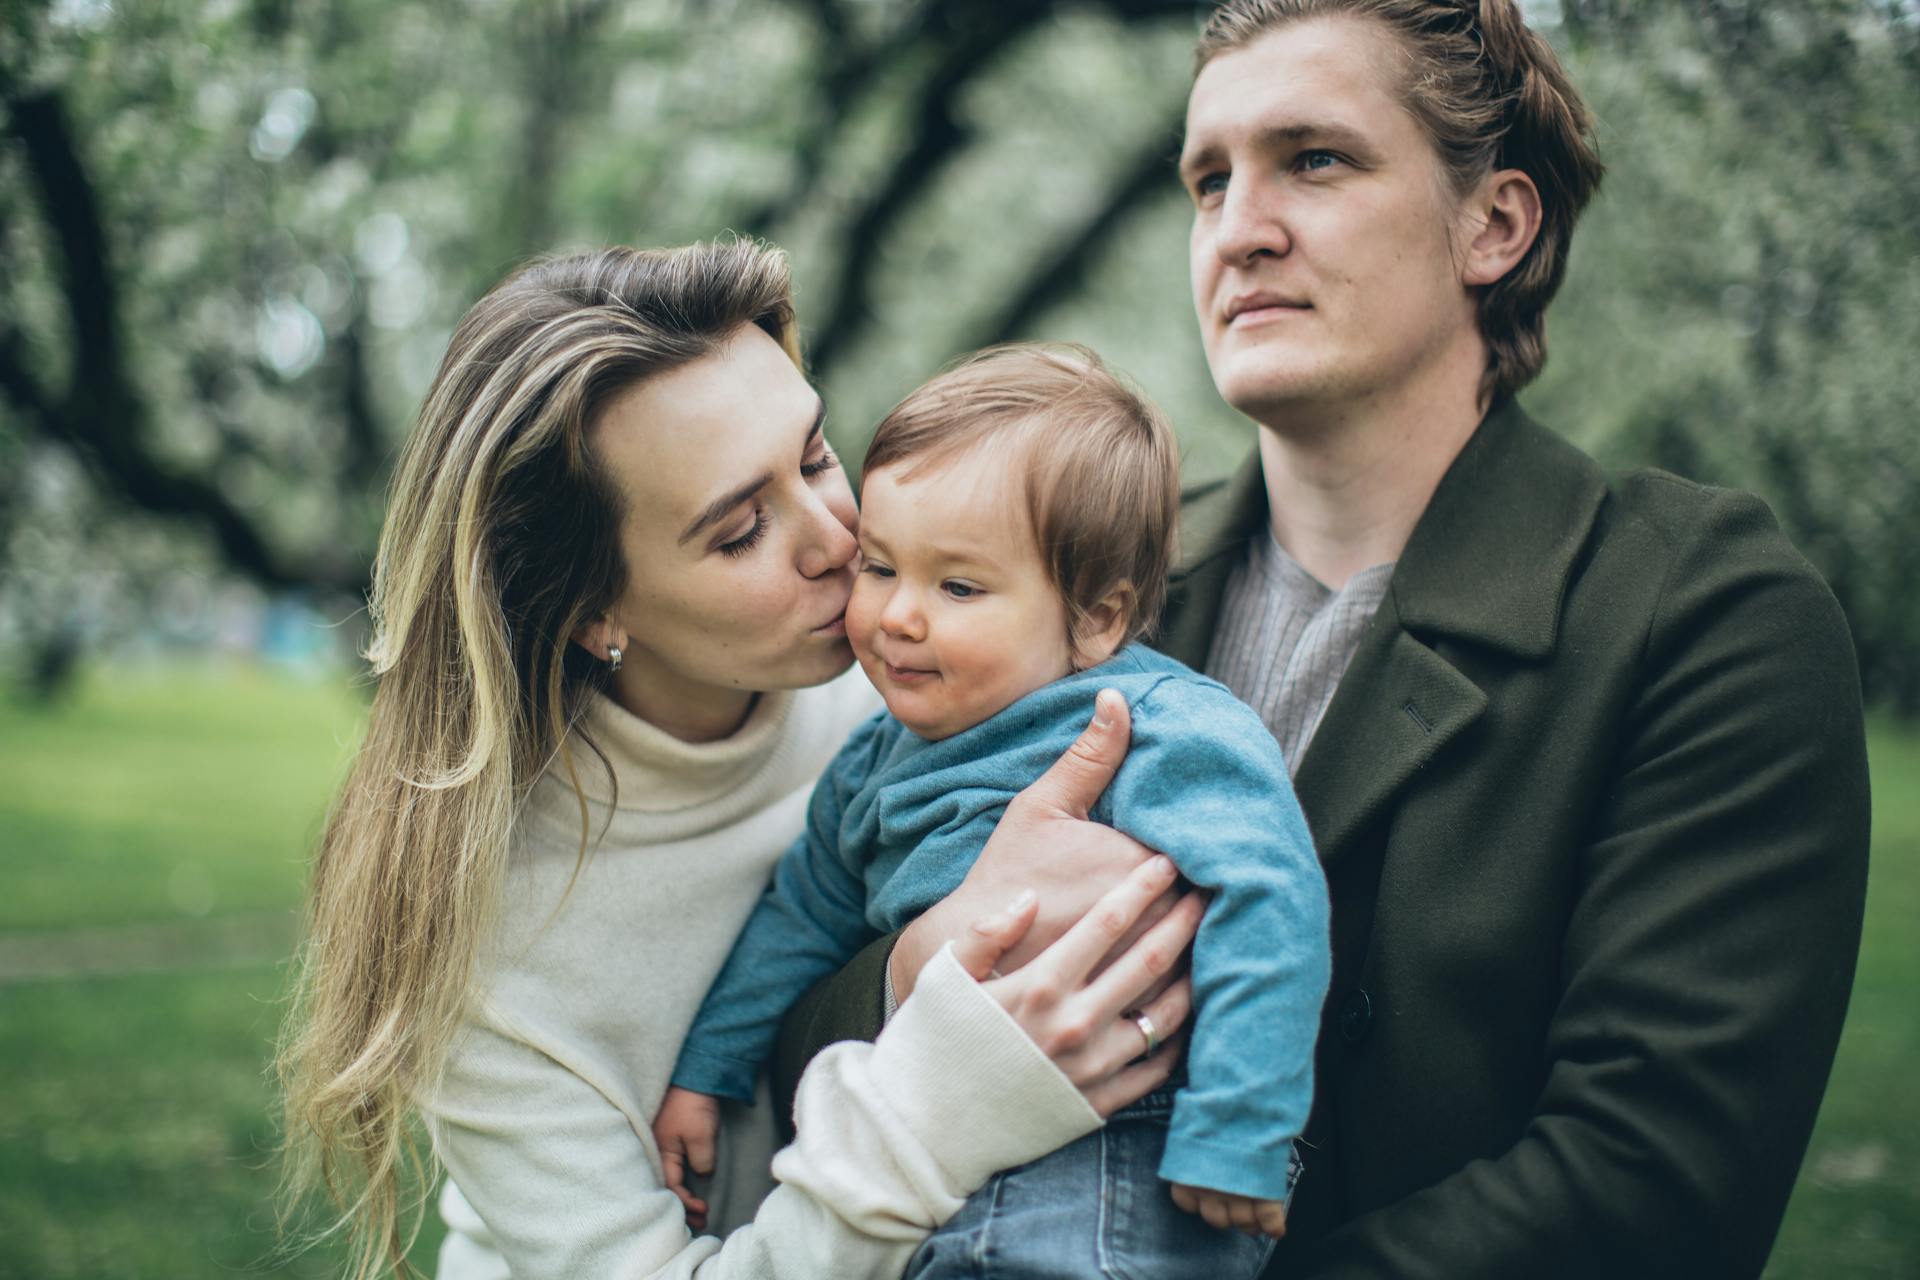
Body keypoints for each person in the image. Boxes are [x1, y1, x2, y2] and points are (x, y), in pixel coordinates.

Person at [774, 2, 1873, 1275]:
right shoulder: (1052, 599)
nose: (1241, 229)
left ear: (1495, 224)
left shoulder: (1701, 613)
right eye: (1207, 180)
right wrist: (927, 960)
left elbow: (1651, 1186)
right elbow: (800, 1011)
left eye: (1317, 159)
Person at [273, 241, 1207, 1280]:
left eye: (813, 456)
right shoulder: (493, 937)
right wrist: (944, 1087)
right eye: (741, 530)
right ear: (593, 610)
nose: (840, 538)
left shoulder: (919, 681)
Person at [653, 344, 1331, 1276]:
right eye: (881, 567)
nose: (898, 616)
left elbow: (1272, 895)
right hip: (948, 1127)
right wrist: (705, 1071)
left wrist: (1239, 1125)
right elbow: (799, 917)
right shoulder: (871, 760)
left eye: (958, 587)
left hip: (1123, 1139)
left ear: (1096, 618)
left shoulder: (1155, 729)